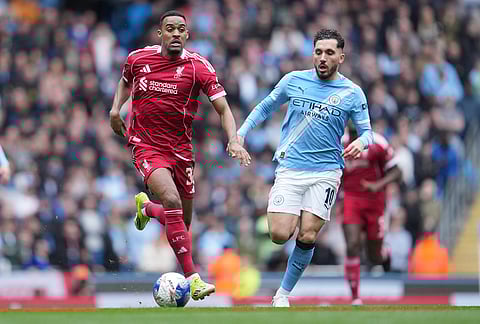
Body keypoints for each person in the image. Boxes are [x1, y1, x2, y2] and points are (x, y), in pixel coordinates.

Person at [109, 10, 251, 301]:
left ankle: (147, 208)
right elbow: (125, 80)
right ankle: (194, 279)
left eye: (181, 29)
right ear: (160, 33)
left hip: (182, 152)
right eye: (169, 29)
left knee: (182, 224)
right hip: (146, 145)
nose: (175, 33)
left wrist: (234, 140)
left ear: (187, 35)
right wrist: (115, 109)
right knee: (172, 201)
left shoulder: (198, 66)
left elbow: (223, 109)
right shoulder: (138, 59)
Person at [237, 29, 374, 307]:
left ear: (341, 57)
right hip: (290, 168)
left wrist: (361, 143)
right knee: (278, 234)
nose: (322, 58)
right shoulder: (293, 80)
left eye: (329, 53)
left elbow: (368, 132)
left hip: (326, 172)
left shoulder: (352, 93)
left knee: (308, 233)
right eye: (318, 52)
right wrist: (240, 134)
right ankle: (296, 216)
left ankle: (282, 295)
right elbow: (265, 107)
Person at [341, 122, 402, 305]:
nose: (352, 137)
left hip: (375, 201)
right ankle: (355, 297)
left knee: (373, 256)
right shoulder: (338, 142)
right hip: (350, 198)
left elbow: (397, 170)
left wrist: (378, 185)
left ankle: (384, 252)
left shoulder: (378, 142)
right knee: (352, 245)